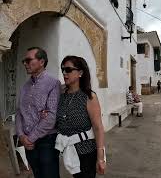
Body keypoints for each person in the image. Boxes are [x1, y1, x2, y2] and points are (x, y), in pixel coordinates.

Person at [55, 56, 106, 177]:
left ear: (80, 73)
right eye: (62, 70)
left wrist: (101, 158)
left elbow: (98, 127)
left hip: (86, 152)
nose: (64, 73)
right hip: (66, 150)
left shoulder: (89, 97)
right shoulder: (61, 94)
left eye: (68, 70)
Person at [15, 47, 61, 178]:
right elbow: (19, 112)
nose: (25, 63)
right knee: (38, 174)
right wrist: (21, 135)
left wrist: (30, 138)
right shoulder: (25, 86)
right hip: (28, 142)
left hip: (47, 141)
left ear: (41, 62)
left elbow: (51, 117)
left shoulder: (53, 84)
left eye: (29, 60)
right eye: (24, 60)